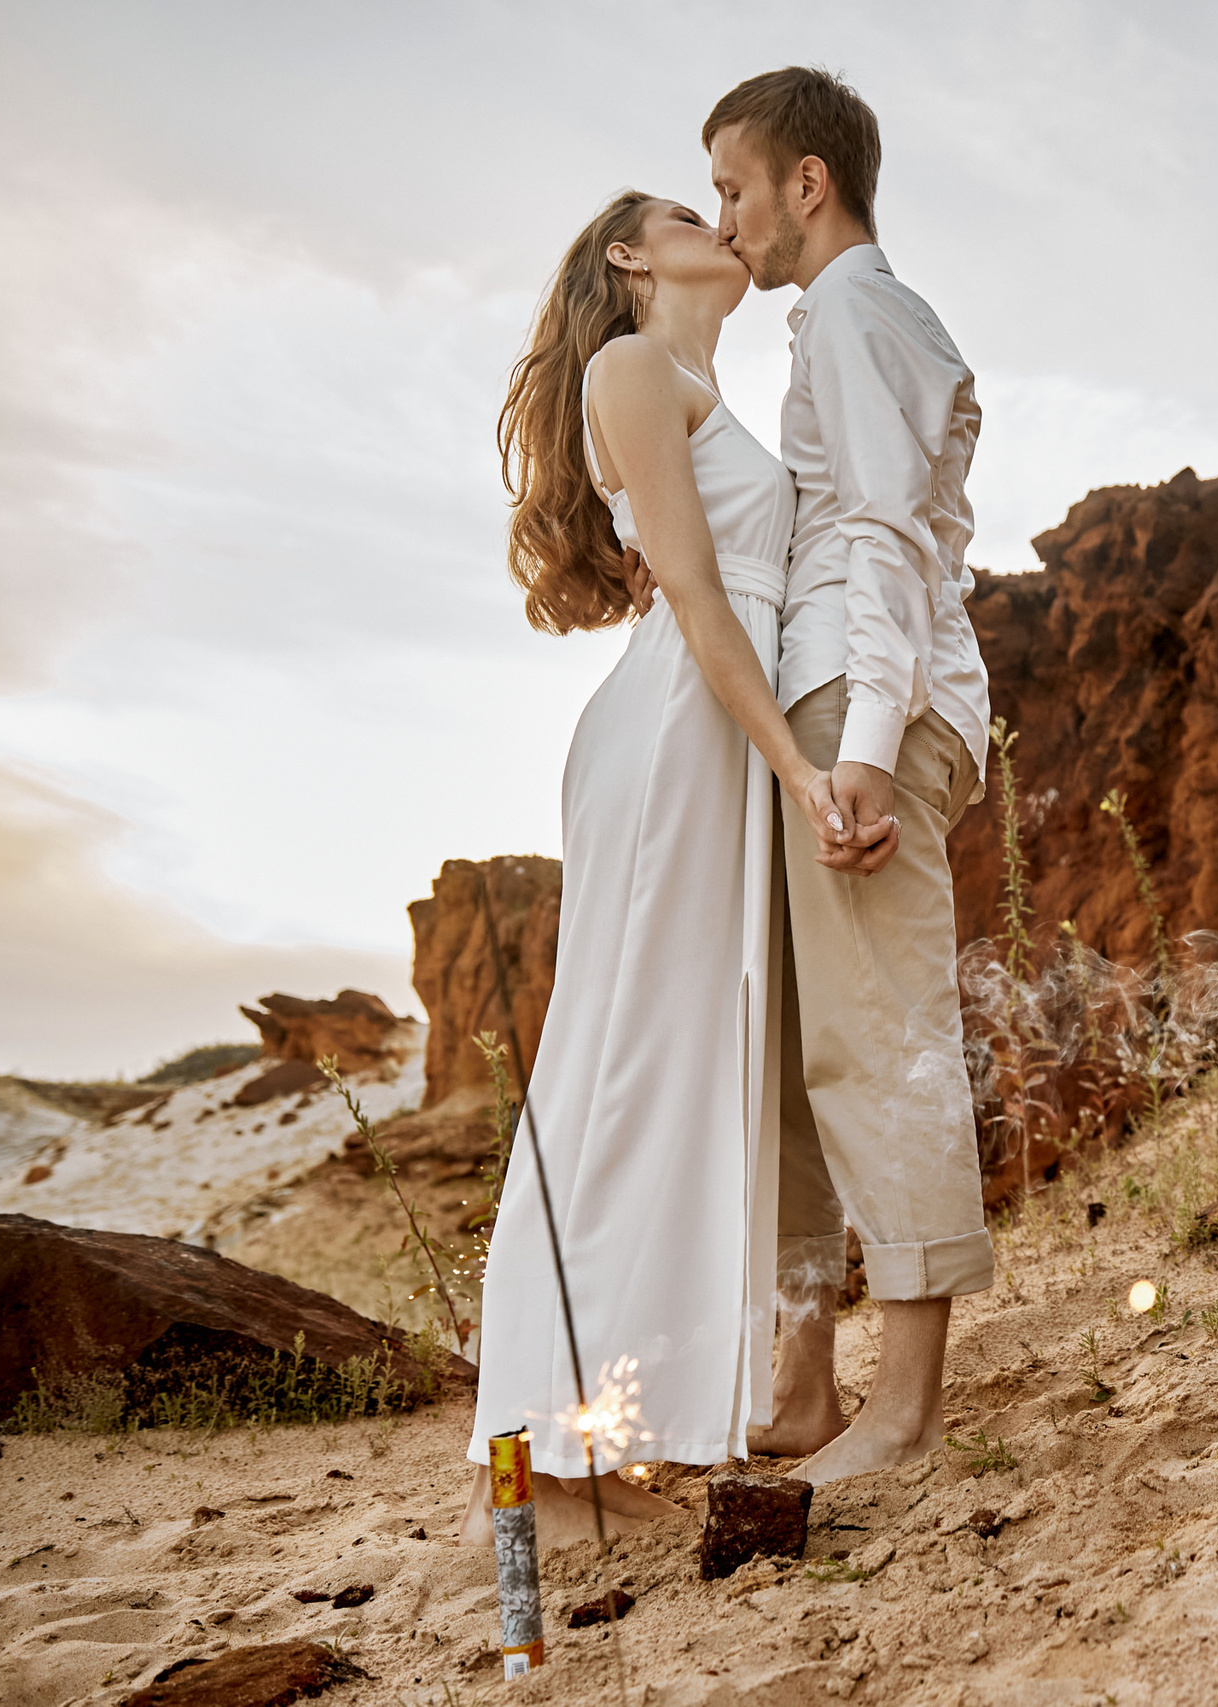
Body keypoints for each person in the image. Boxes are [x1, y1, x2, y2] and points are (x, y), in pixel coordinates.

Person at [462, 183, 895, 1547]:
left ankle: (616, 1423)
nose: (721, 219)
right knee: (623, 1065)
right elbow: (702, 600)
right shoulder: (632, 364)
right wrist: (795, 763)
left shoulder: (702, 383)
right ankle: (528, 1468)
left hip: (718, 728)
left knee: (687, 1064)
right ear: (631, 258)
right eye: (681, 207)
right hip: (678, 737)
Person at [674, 67, 997, 1485]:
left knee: (880, 1043)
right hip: (823, 714)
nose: (728, 218)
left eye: (737, 188)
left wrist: (864, 749)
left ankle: (910, 1412)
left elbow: (884, 537)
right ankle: (805, 1386)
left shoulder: (862, 314)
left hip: (860, 720)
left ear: (810, 181)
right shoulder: (839, 326)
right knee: (809, 1061)